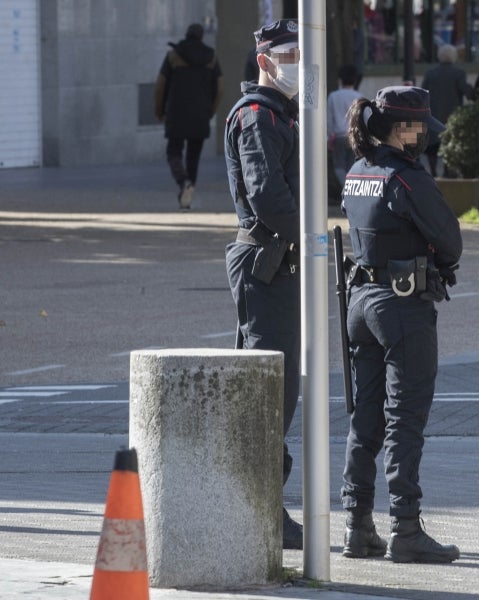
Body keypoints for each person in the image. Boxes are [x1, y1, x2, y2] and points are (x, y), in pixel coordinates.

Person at [339, 86, 463, 563]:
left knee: (365, 417)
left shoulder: (357, 172)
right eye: (422, 129)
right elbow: (450, 241)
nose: (425, 139)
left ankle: (356, 524)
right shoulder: (406, 178)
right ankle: (406, 528)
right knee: (404, 420)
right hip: (401, 307)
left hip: (360, 305)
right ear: (403, 130)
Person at [222, 19, 304, 550]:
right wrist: (311, 236)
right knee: (269, 389)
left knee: (279, 389)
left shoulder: (282, 115)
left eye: (302, 51)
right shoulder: (257, 117)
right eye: (289, 53)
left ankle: (260, 504)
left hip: (279, 259)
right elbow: (267, 196)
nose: (297, 61)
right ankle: (258, 511)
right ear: (264, 60)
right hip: (265, 260)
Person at [154, 23, 223, 210]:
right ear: (201, 38)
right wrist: (210, 111)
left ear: (186, 35)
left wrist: (159, 111)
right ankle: (189, 192)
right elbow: (220, 89)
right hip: (200, 115)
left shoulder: (173, 56)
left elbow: (160, 86)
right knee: (194, 157)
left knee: (173, 152)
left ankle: (184, 182)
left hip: (176, 113)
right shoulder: (211, 58)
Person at [420, 45, 473, 176]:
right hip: (451, 117)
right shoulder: (459, 73)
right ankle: (447, 173)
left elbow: (422, 93)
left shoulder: (430, 74)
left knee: (432, 148)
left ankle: (432, 173)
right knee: (448, 146)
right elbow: (466, 92)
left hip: (433, 116)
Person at [327, 65, 364, 187]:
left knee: (339, 166)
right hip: (354, 136)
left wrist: (329, 136)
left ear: (340, 80)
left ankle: (346, 187)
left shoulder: (333, 96)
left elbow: (329, 118)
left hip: (338, 136)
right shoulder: (359, 97)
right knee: (352, 166)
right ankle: (351, 188)